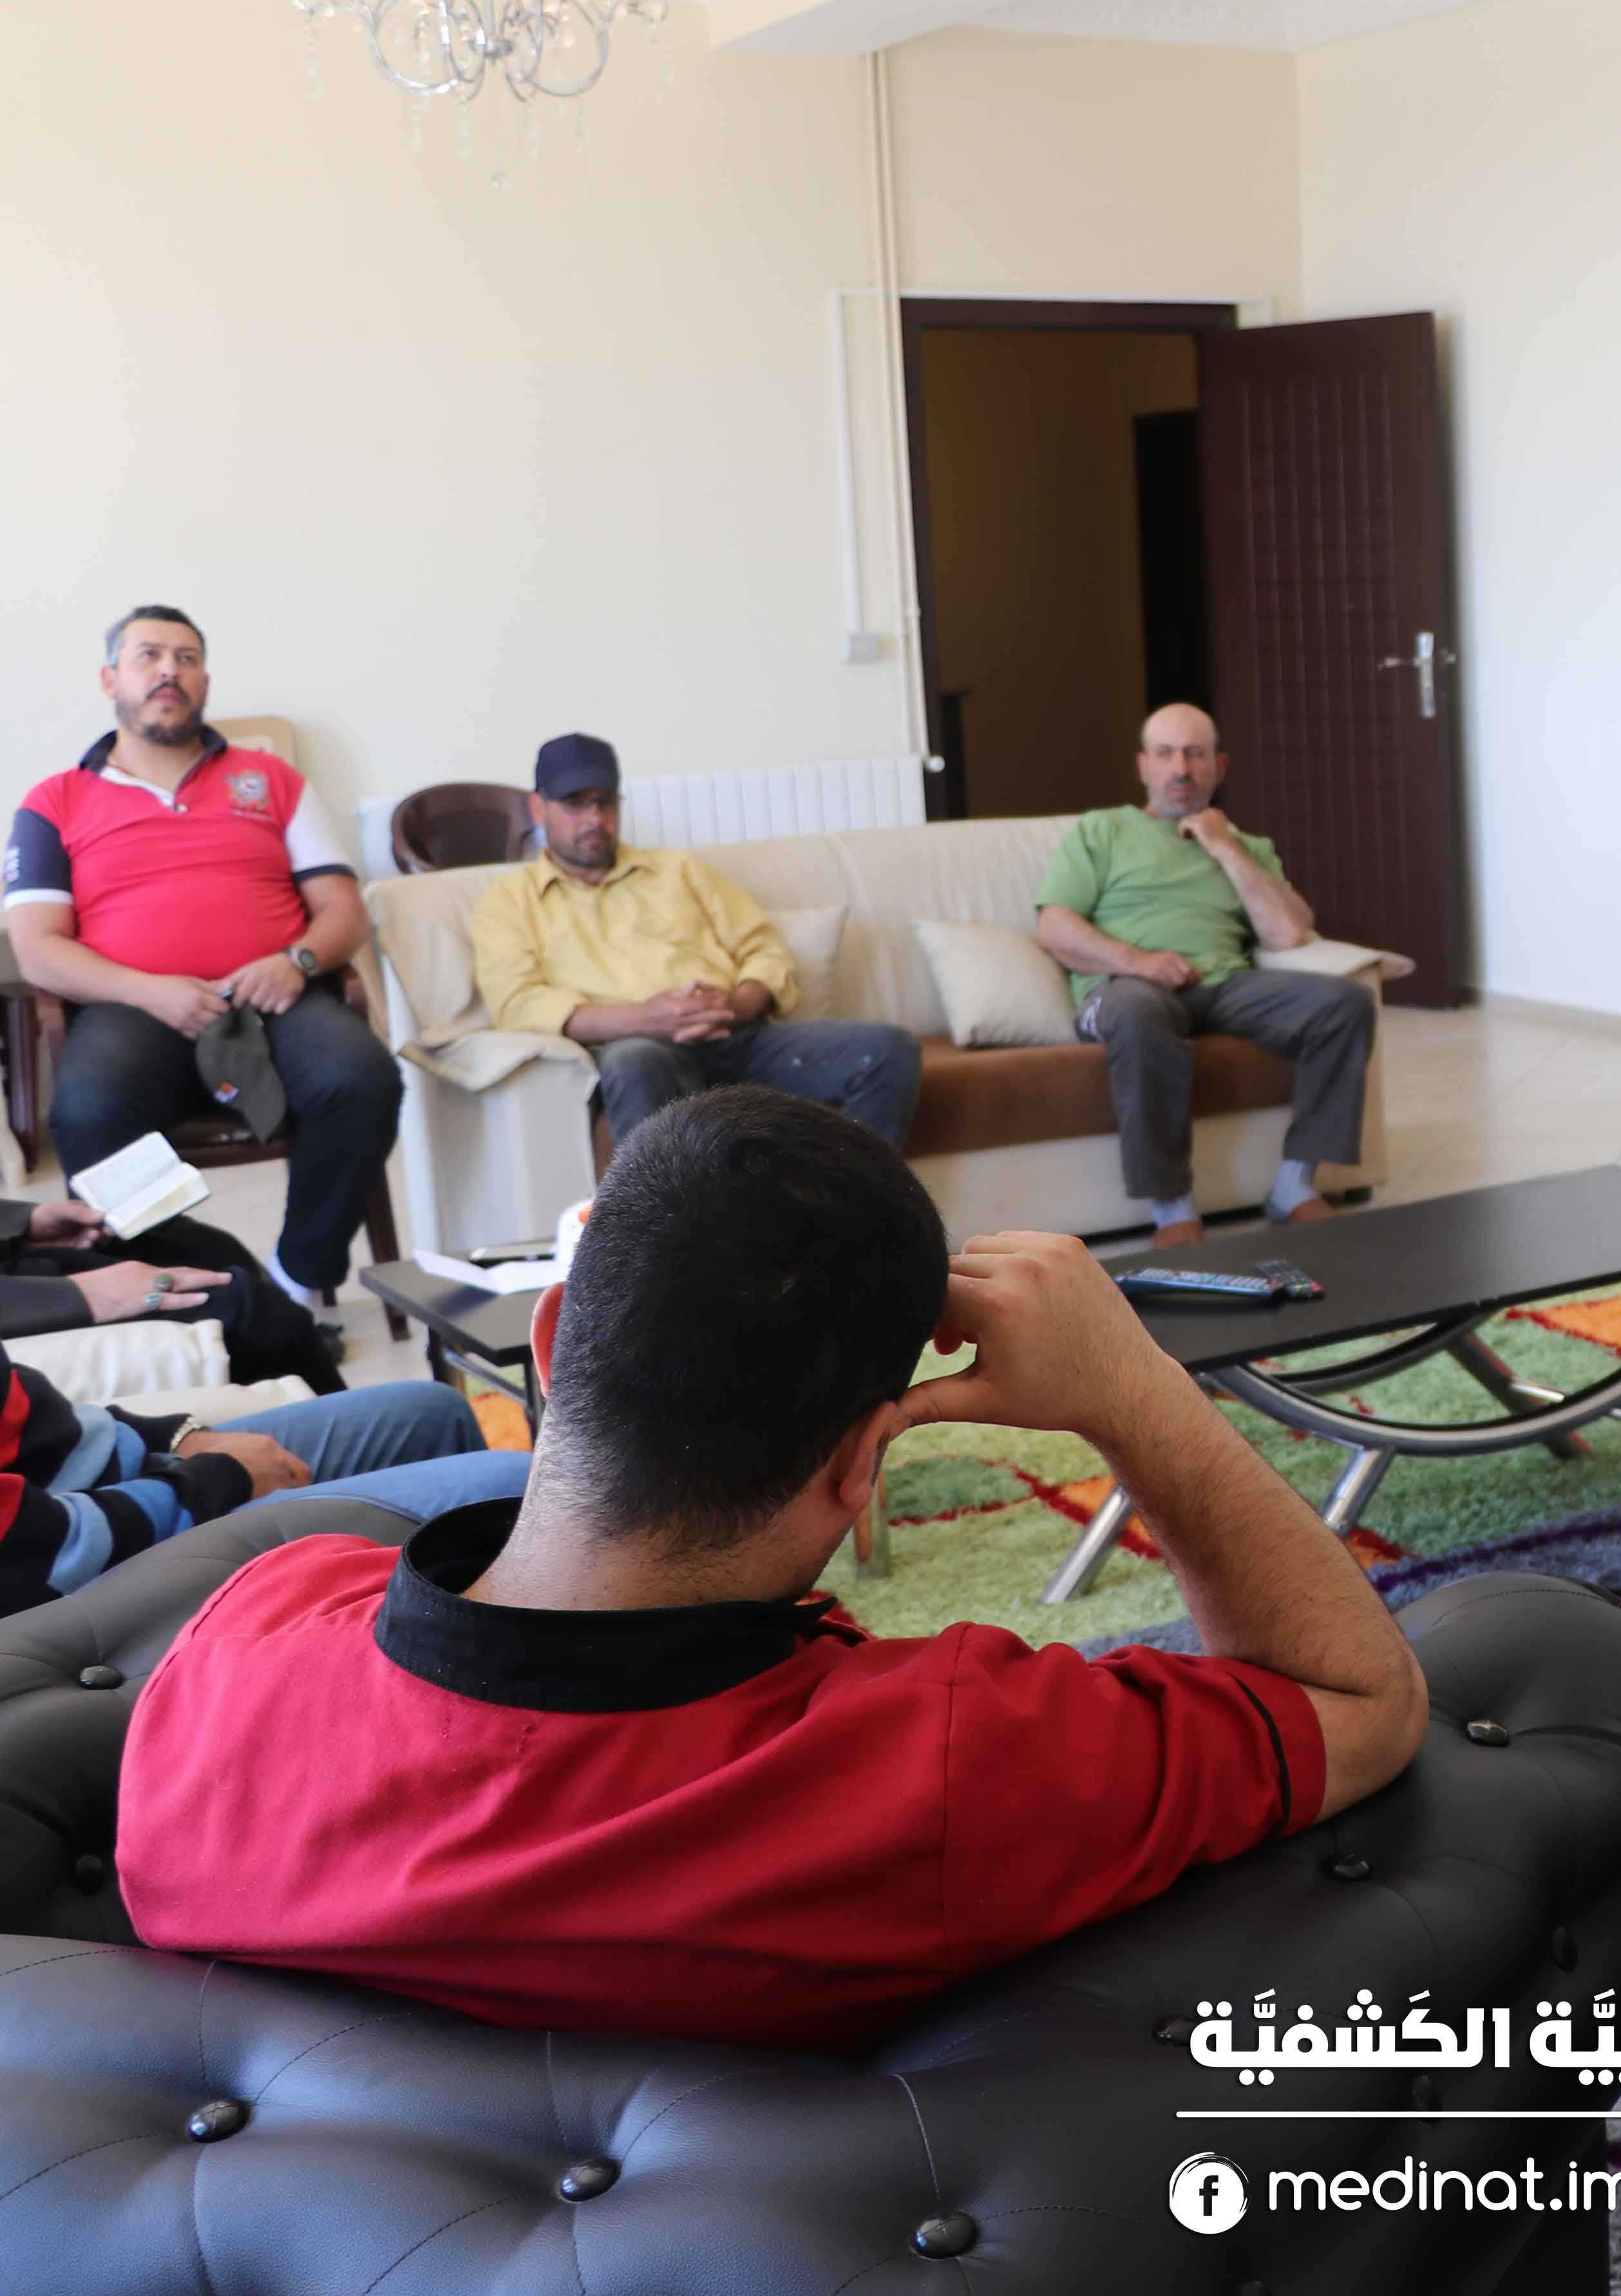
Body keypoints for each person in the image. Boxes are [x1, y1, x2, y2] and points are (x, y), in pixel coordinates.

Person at [118, 1088, 1428, 2054]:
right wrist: (1134, 1388)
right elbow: (1363, 1701)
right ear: (863, 1463)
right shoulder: (954, 1762)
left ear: (553, 1343)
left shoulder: (242, 1639)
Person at [5, 605, 403, 1328]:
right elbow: (36, 947)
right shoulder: (54, 801)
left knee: (362, 1079)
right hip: (131, 1007)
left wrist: (297, 960)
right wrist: (150, 991)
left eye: (186, 658)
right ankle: (199, 1297)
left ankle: (295, 1281)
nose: (169, 670)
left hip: (274, 995)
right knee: (88, 1113)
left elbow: (343, 910)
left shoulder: (272, 780)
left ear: (205, 682)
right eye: (149, 655)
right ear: (110, 680)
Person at [471, 734, 924, 1151]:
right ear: (538, 808)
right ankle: (667, 1217)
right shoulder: (509, 901)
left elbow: (764, 949)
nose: (595, 819)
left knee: (888, 1050)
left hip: (738, 1036)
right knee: (633, 1063)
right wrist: (649, 1018)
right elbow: (519, 1003)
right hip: (643, 1050)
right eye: (575, 804)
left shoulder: (679, 870)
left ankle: (842, 1206)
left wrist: (736, 1004)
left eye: (605, 803)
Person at [1035, 704, 1376, 1248]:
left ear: (1220, 767)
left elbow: (1289, 934)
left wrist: (1223, 846)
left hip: (1224, 985)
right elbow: (1053, 926)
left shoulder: (1247, 847)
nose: (1181, 769)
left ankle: (1294, 1186)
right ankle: (1173, 1210)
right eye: (1166, 754)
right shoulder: (1103, 830)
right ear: (1143, 765)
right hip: (1128, 988)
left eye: (1196, 755)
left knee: (1345, 1003)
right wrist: (1138, 962)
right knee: (1140, 1013)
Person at [3, 1363, 503, 1616]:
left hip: (113, 1483)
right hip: (89, 1556)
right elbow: (40, 1551)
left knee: (432, 1410)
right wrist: (221, 1477)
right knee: (504, 1484)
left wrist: (174, 1435)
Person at [3, 1190, 350, 1389]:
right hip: (20, 1305)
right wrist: (80, 1295)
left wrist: (20, 1221)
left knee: (201, 1246)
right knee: (249, 1309)